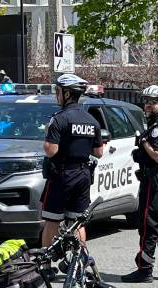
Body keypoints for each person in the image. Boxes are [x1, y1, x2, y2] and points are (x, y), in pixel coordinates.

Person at [121, 85, 158, 283]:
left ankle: (144, 269)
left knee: (148, 223)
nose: (148, 105)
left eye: (153, 102)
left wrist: (144, 142)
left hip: (155, 178)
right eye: (146, 101)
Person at [41, 74, 104, 248]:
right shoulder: (92, 121)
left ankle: (45, 264)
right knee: (77, 222)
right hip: (83, 175)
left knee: (52, 221)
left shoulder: (59, 119)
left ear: (67, 94)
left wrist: (48, 136)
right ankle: (79, 263)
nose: (57, 95)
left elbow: (51, 150)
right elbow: (99, 152)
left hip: (62, 175)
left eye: (58, 91)